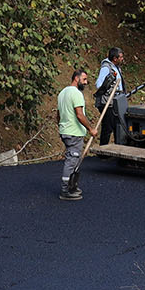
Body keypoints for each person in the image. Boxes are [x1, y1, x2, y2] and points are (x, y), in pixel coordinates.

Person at [57, 67, 98, 201]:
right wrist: (91, 129)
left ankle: (73, 186)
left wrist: (61, 127)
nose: (86, 82)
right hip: (73, 133)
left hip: (66, 132)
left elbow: (58, 115)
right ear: (76, 78)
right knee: (72, 160)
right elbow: (79, 115)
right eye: (84, 79)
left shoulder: (62, 93)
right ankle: (65, 190)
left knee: (75, 160)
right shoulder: (76, 94)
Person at [93, 47, 127, 147]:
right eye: (120, 57)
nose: (122, 59)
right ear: (114, 58)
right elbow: (99, 84)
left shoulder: (116, 67)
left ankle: (117, 148)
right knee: (107, 127)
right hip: (107, 102)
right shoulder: (106, 68)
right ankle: (103, 151)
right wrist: (110, 89)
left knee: (117, 126)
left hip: (116, 102)